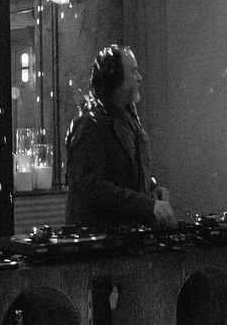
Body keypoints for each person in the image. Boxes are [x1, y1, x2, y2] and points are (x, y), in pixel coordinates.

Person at [64, 44, 176, 229]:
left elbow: (128, 173)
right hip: (99, 243)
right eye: (133, 72)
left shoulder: (127, 120)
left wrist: (152, 190)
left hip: (120, 239)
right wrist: (146, 205)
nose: (139, 78)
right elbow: (92, 186)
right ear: (115, 78)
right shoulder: (90, 123)